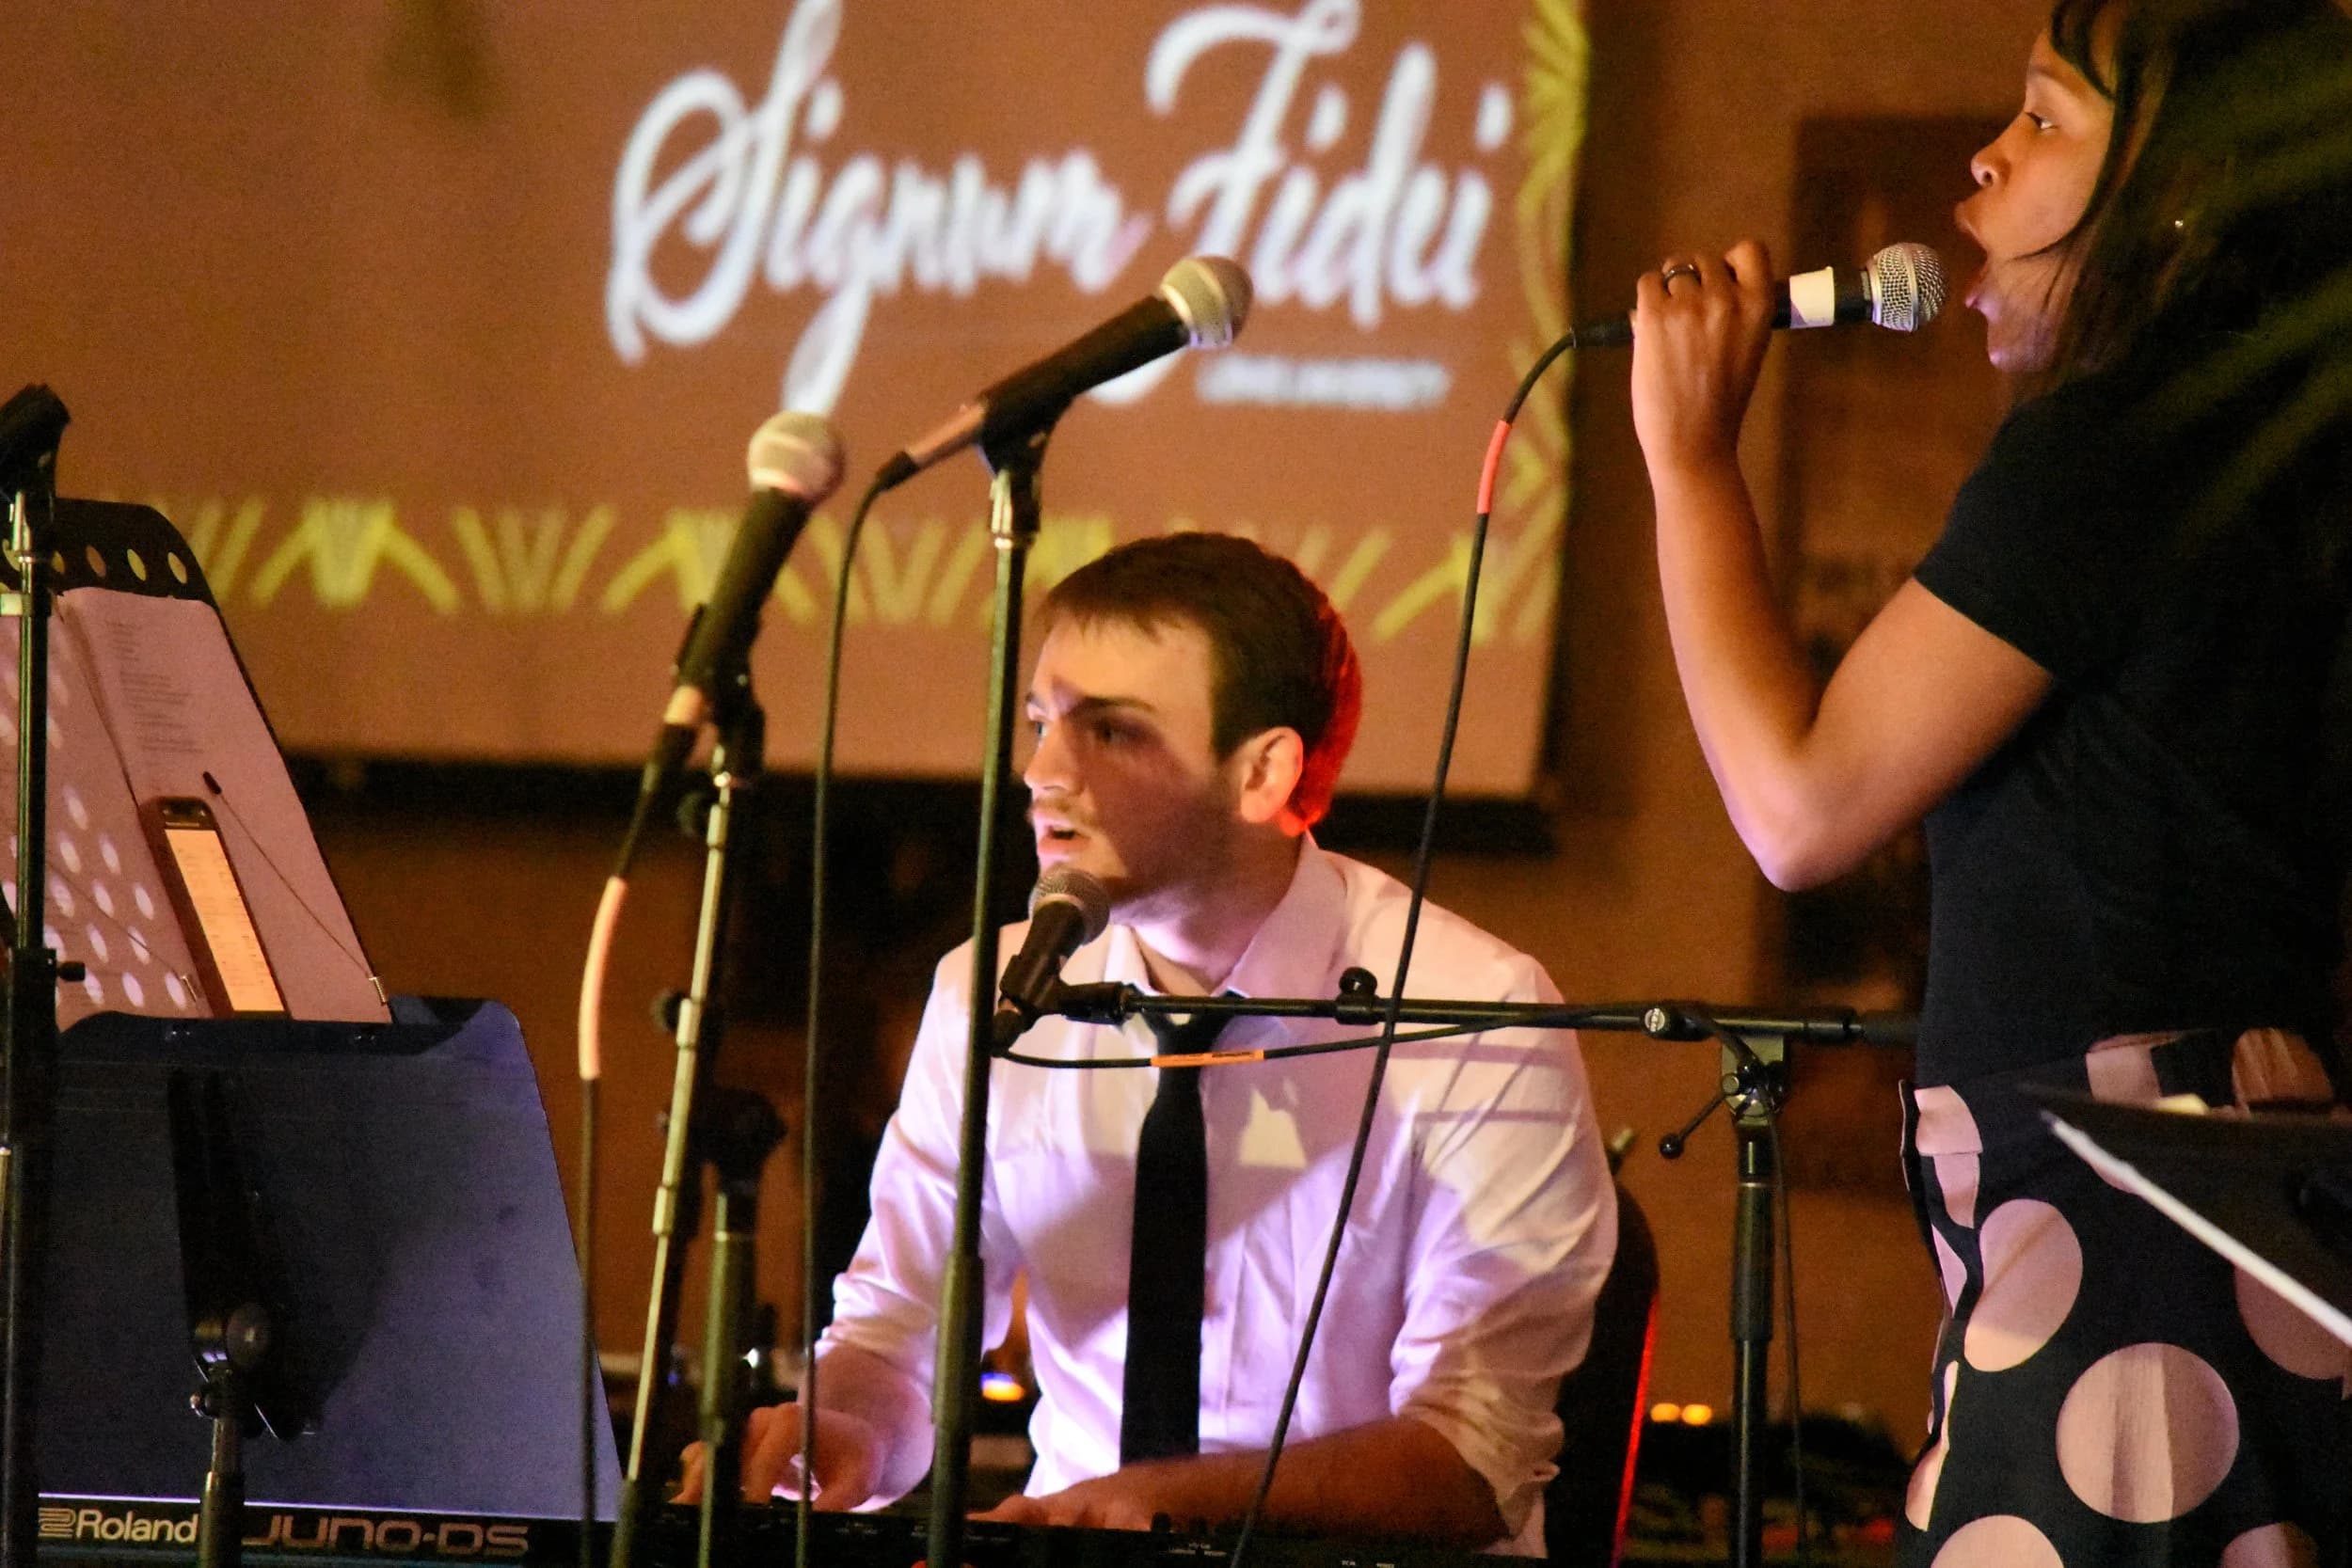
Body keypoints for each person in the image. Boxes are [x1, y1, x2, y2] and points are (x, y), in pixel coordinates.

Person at [1629, 0, 2352, 1562]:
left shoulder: (2114, 448)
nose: (1985, 156)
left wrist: (1688, 459)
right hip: (2200, 1190)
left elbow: (1799, 805)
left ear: (2179, 191)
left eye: (2044, 121)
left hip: (2136, 1219)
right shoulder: (2257, 453)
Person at [691, 532, 1615, 1551]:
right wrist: (844, 1423)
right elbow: (900, 1330)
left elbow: (1469, 1464)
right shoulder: (991, 995)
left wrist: (1157, 1504)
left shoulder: (1475, 1014)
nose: (1042, 773)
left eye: (1113, 733)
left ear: (1263, 771)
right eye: (1042, 721)